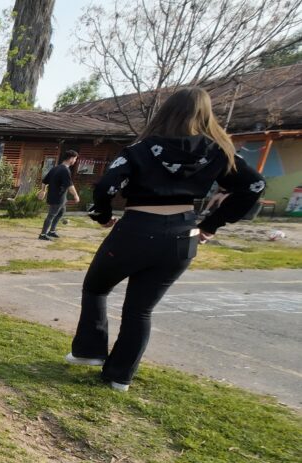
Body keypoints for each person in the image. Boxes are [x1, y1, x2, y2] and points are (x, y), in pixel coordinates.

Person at [65, 87, 266, 391]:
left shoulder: (141, 149)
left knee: (96, 287)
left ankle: (90, 350)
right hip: (183, 233)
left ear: (165, 112)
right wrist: (211, 225)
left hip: (137, 228)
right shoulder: (217, 151)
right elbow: (254, 185)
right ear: (205, 115)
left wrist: (102, 215)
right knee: (140, 309)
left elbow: (106, 186)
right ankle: (119, 377)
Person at [37, 150, 81, 240]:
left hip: (59, 197)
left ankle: (52, 231)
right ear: (71, 158)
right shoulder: (65, 170)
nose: (75, 161)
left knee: (61, 212)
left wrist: (43, 190)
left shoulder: (56, 168)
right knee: (51, 215)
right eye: (75, 159)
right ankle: (43, 234)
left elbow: (45, 181)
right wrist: (76, 195)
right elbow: (70, 185)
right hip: (57, 197)